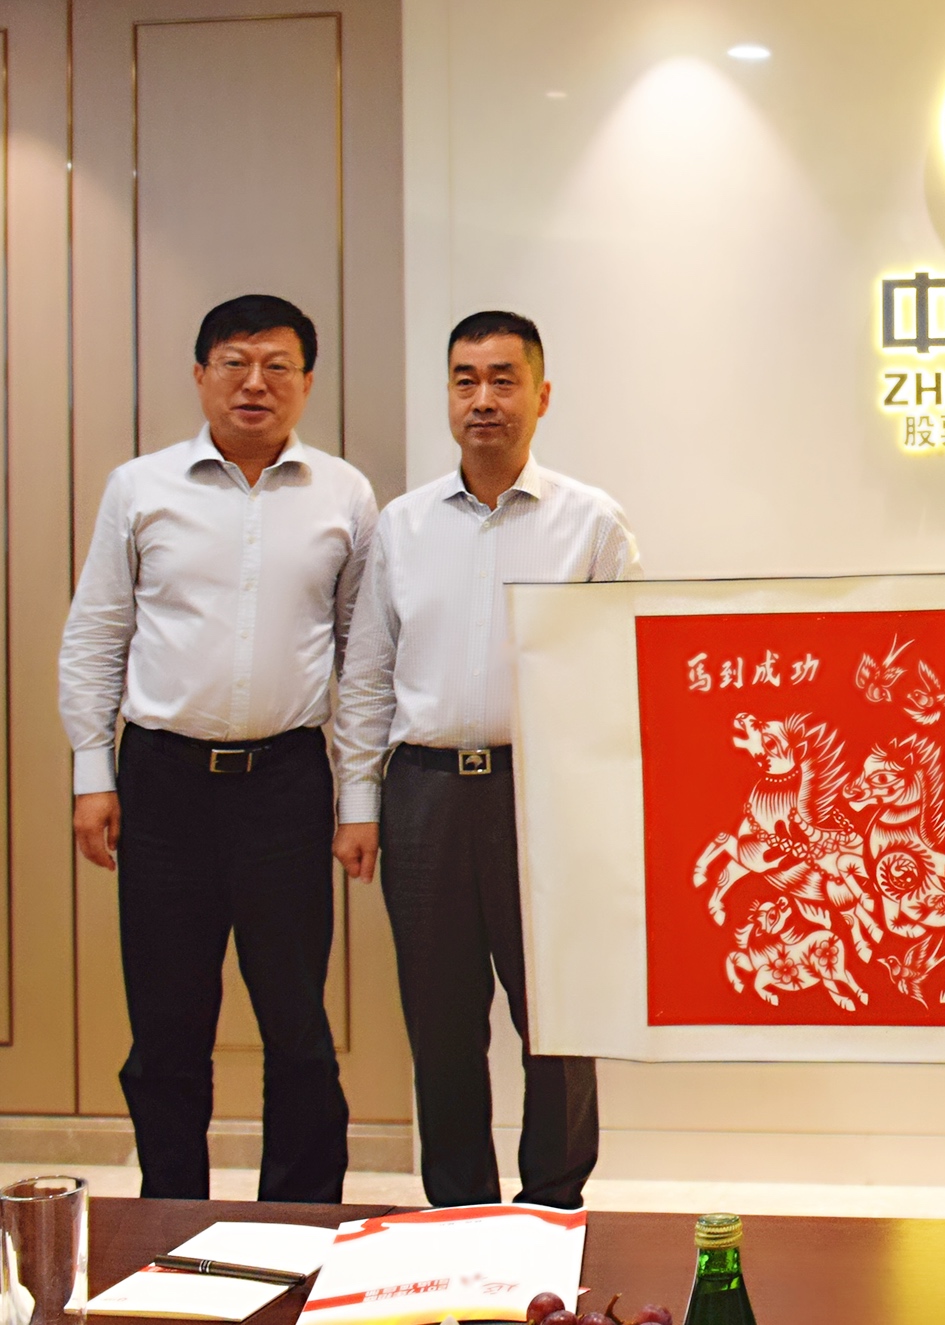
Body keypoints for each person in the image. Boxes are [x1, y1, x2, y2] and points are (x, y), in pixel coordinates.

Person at [58, 294, 374, 1202]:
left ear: (307, 383)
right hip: (163, 785)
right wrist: (92, 773)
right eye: (234, 362)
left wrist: (358, 799)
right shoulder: (140, 486)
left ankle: (300, 1217)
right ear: (201, 375)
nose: (254, 383)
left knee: (298, 1028)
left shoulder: (345, 494)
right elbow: (95, 635)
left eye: (278, 365)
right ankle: (169, 1213)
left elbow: (362, 656)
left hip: (286, 784)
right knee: (167, 1030)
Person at [332, 310, 638, 1209]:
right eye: (466, 380)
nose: (484, 399)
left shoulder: (591, 522)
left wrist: (607, 811)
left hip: (545, 798)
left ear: (542, 395)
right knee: (440, 1023)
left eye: (505, 379)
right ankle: (459, 1208)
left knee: (558, 1019)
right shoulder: (403, 524)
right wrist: (358, 804)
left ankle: (554, 1204)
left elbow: (624, 672)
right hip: (424, 795)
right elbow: (367, 673)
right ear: (448, 396)